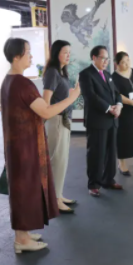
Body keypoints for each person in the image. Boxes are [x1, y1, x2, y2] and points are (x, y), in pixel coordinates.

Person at [0, 38, 81, 253]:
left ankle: (23, 233)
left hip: (17, 144)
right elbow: (45, 111)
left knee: (22, 189)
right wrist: (72, 97)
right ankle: (21, 239)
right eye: (27, 52)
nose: (31, 56)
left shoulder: (9, 81)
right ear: (16, 56)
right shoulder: (21, 83)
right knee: (24, 189)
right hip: (25, 145)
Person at [78, 45, 123, 197]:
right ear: (94, 58)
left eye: (107, 59)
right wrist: (108, 108)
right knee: (96, 154)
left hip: (112, 120)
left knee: (111, 153)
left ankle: (108, 180)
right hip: (97, 121)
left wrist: (119, 106)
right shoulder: (86, 74)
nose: (106, 62)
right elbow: (90, 96)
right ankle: (94, 184)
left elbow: (116, 93)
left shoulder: (107, 74)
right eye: (103, 58)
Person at [42, 40, 76, 213]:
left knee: (62, 160)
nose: (68, 55)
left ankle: (58, 195)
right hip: (56, 120)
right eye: (65, 52)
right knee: (57, 160)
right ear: (56, 53)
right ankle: (54, 199)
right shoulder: (52, 73)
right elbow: (46, 102)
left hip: (64, 120)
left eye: (69, 52)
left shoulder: (62, 73)